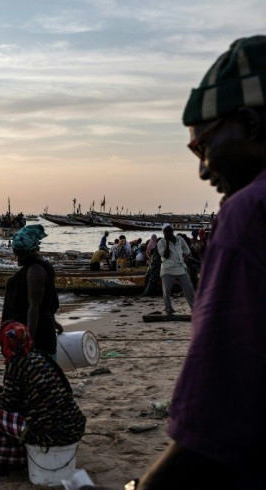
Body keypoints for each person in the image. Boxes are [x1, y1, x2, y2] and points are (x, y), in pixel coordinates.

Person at [138, 36, 266, 489]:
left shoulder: (248, 212)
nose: (203, 169)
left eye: (202, 146)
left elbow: (213, 419)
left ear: (249, 125)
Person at [0, 321, 86, 482]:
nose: (1, 349)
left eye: (2, 344)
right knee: (9, 413)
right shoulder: (40, 357)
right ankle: (14, 458)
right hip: (73, 427)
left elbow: (7, 405)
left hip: (49, 434)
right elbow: (22, 394)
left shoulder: (16, 363)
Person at [1, 224, 62, 358]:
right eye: (16, 253)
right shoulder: (41, 267)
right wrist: (55, 323)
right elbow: (47, 303)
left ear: (30, 251)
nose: (17, 257)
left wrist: (28, 341)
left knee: (38, 375)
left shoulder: (35, 272)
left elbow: (34, 308)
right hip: (39, 332)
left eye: (19, 253)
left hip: (37, 337)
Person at [156, 224, 195, 316]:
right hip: (167, 268)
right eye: (166, 233)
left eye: (170, 232)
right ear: (164, 234)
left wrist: (185, 256)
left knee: (189, 288)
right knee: (167, 291)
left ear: (172, 231)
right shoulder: (161, 242)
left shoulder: (180, 239)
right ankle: (169, 308)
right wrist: (167, 243)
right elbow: (165, 255)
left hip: (180, 267)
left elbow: (187, 251)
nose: (168, 234)